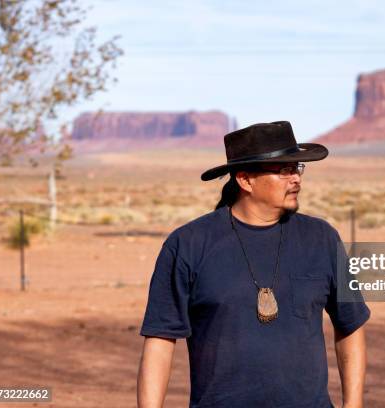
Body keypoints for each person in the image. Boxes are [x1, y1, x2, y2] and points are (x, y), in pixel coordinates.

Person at [137, 121, 370, 408]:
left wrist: (354, 403)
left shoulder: (322, 238)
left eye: (297, 168)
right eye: (284, 170)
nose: (296, 179)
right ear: (245, 180)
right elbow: (160, 339)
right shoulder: (188, 244)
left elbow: (350, 325)